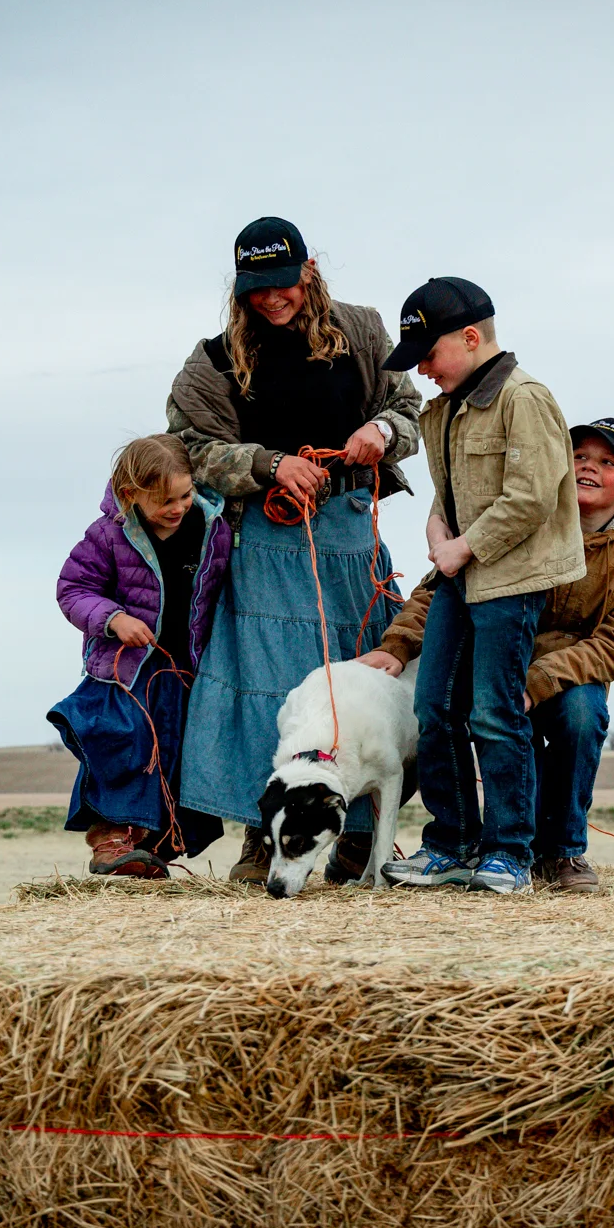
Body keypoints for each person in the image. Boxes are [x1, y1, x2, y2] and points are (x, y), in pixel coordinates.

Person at [166, 218, 423, 885]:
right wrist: (270, 464)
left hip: (350, 538)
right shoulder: (215, 359)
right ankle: (264, 837)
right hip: (266, 543)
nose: (273, 300)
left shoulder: (364, 331)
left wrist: (380, 429)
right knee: (266, 695)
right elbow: (188, 446)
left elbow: (409, 407)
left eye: (282, 284)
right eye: (257, 290)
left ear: (307, 270)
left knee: (368, 692)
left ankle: (360, 839)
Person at [361, 417, 614, 892]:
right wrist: (396, 646)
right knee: (435, 701)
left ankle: (562, 853)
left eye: (607, 463)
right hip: (492, 660)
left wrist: (538, 680)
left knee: (582, 716)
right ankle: (448, 843)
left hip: (562, 680)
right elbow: (444, 589)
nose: (588, 468)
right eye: (579, 457)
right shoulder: (523, 517)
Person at [371, 277, 585, 895]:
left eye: (428, 356)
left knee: (494, 712)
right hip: (460, 577)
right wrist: (437, 526)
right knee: (433, 706)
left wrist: (460, 547)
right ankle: (451, 843)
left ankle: (509, 853)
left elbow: (532, 497)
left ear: (471, 337)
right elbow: (451, 490)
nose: (424, 371)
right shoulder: (444, 408)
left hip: (510, 581)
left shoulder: (526, 398)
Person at [48, 434, 232, 877]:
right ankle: (111, 842)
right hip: (124, 671)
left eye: (185, 495)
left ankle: (152, 849)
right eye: (164, 501)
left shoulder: (214, 529)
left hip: (185, 668)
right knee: (122, 744)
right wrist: (113, 619)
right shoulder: (108, 535)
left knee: (177, 756)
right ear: (130, 496)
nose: (177, 507)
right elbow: (72, 589)